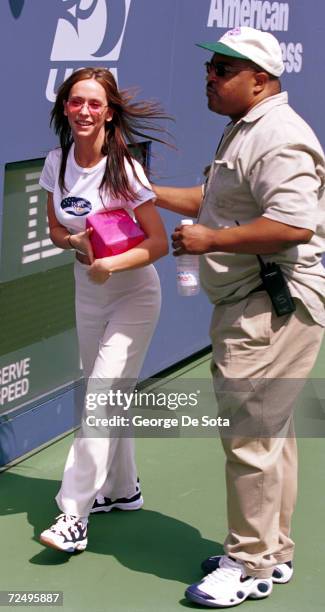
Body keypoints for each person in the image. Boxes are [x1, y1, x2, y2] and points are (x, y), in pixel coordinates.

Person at [153, 27, 325, 608]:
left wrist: (211, 240)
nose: (211, 76)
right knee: (271, 436)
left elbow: (294, 225)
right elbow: (211, 199)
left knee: (250, 438)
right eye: (211, 67)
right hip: (261, 301)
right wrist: (145, 190)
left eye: (223, 68)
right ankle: (270, 550)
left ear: (260, 78)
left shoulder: (277, 136)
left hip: (270, 305)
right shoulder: (247, 129)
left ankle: (247, 562)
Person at [38, 67, 169, 552]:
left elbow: (157, 244)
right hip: (87, 290)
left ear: (109, 114)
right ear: (65, 108)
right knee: (107, 397)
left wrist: (110, 263)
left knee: (100, 397)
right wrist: (74, 241)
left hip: (134, 294)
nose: (84, 111)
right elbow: (56, 229)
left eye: (94, 104)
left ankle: (74, 515)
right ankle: (122, 489)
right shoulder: (57, 161)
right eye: (76, 102)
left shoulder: (124, 168)